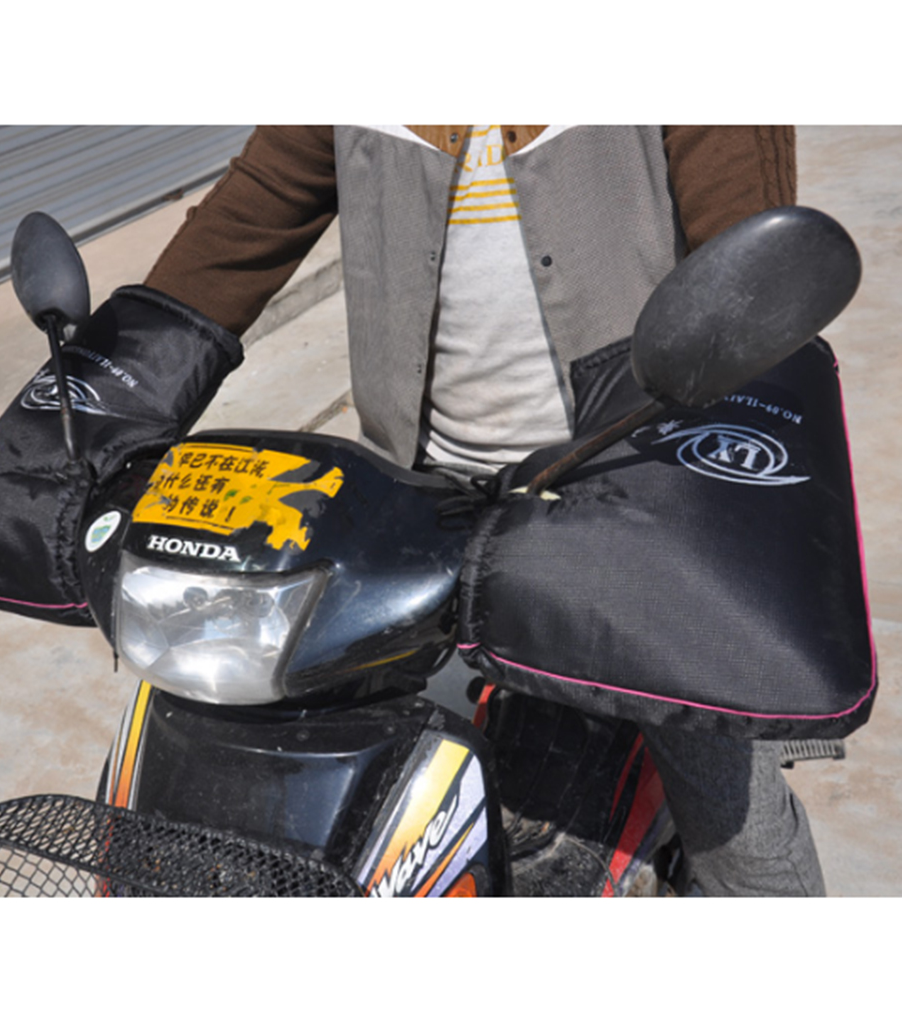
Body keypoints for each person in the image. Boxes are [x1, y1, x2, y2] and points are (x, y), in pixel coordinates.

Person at [144, 125, 824, 896]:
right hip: (421, 496)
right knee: (326, 797)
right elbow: (260, 203)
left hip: (632, 486)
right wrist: (117, 375)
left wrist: (739, 491)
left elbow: (752, 266)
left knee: (734, 820)